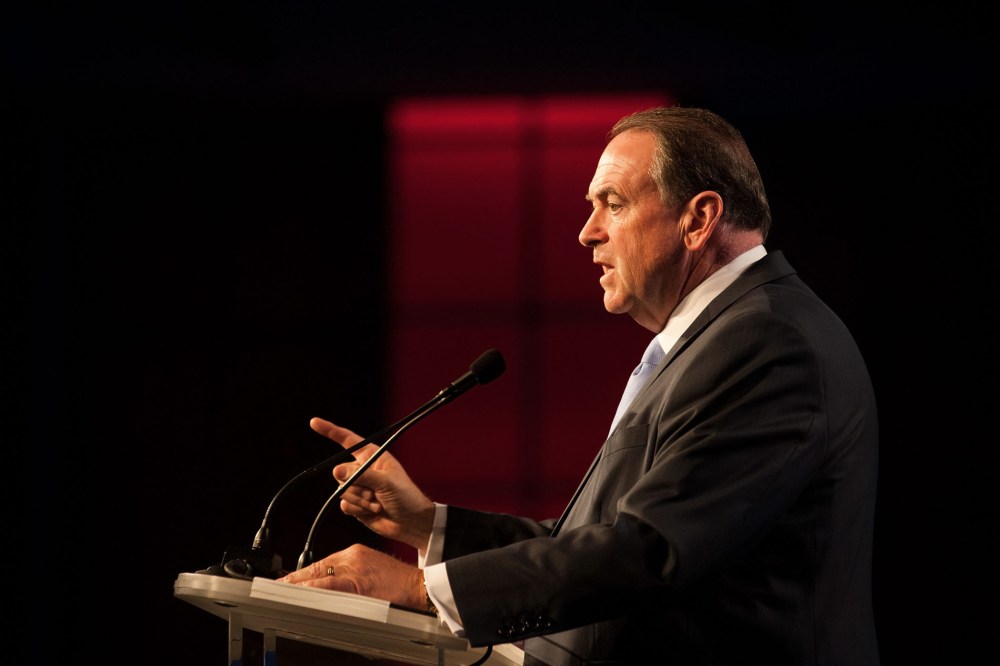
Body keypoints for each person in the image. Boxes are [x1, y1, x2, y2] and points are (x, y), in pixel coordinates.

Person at [277, 106, 880, 665]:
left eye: (612, 203)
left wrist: (416, 586)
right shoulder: (723, 337)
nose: (587, 232)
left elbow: (648, 552)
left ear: (698, 219)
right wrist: (428, 525)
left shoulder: (768, 341)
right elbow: (590, 542)